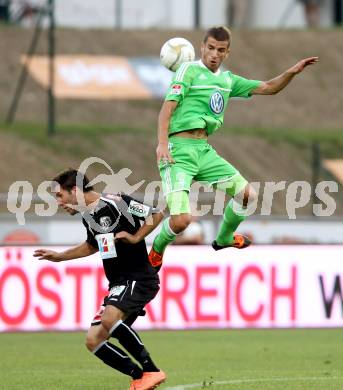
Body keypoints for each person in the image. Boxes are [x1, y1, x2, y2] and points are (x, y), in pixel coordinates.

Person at [148, 26, 318, 265]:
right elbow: (167, 109)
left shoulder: (228, 80)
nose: (214, 54)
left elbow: (269, 87)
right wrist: (162, 144)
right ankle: (157, 247)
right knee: (181, 221)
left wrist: (291, 72)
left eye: (220, 50)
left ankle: (225, 237)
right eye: (210, 48)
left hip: (203, 150)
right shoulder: (188, 69)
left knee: (248, 195)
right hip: (178, 150)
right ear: (202, 47)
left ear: (227, 53)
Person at [33, 169, 166, 390]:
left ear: (74, 190)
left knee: (109, 318)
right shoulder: (88, 215)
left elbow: (156, 214)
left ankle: (152, 370)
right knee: (93, 340)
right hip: (117, 284)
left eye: (60, 196)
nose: (59, 202)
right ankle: (139, 376)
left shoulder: (116, 202)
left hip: (138, 278)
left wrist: (136, 237)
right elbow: (92, 246)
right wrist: (60, 257)